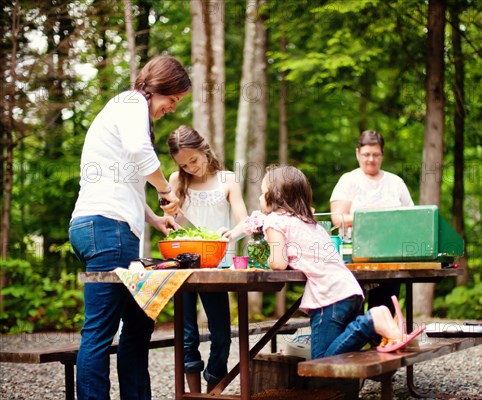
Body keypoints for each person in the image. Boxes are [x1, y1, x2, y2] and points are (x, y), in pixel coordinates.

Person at [69, 56, 191, 399]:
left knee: (138, 325)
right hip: (108, 230)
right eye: (173, 99)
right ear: (158, 88)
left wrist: (154, 217)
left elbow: (123, 179)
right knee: (100, 332)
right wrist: (166, 191)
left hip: (97, 226)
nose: (172, 108)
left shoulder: (124, 108)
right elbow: (140, 152)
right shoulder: (131, 102)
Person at [260, 165, 421, 359]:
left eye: (263, 193)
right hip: (350, 291)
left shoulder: (274, 221)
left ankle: (371, 321)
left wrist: (268, 256)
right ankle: (373, 321)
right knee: (343, 355)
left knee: (320, 361)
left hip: (329, 298)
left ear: (275, 196)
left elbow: (278, 262)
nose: (260, 199)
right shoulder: (309, 222)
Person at [167, 125, 249, 393]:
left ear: (204, 149)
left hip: (217, 264)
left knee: (222, 335)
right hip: (183, 265)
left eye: (194, 160)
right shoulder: (177, 181)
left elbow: (245, 222)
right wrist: (170, 215)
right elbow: (171, 223)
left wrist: (230, 235)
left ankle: (213, 390)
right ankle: (192, 395)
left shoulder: (227, 179)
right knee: (187, 335)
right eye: (184, 164)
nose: (190, 167)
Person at [330, 130, 414, 314]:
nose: (371, 159)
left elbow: (411, 218)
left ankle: (381, 340)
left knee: (383, 311)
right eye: (366, 154)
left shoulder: (396, 182)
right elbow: (337, 219)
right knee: (352, 314)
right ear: (357, 153)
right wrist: (375, 219)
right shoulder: (348, 180)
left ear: (382, 154)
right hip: (354, 257)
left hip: (390, 257)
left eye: (376, 155)